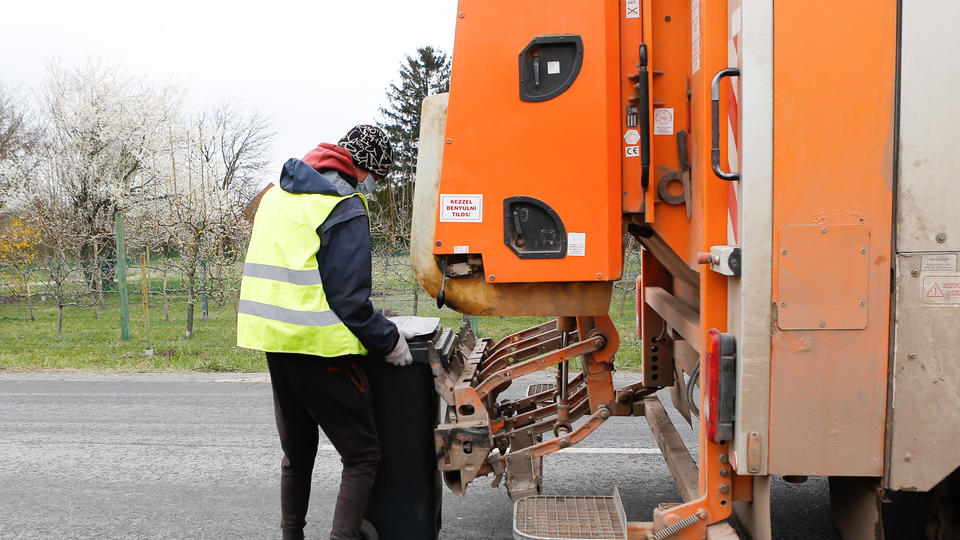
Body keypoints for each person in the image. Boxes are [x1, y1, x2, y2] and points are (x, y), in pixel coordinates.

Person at [237, 125, 414, 540]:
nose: (373, 187)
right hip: (321, 350)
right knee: (362, 456)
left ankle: (291, 534)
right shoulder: (343, 205)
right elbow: (349, 299)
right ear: (365, 168)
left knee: (297, 455)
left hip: (276, 343)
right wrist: (389, 340)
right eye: (376, 178)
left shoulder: (278, 196)